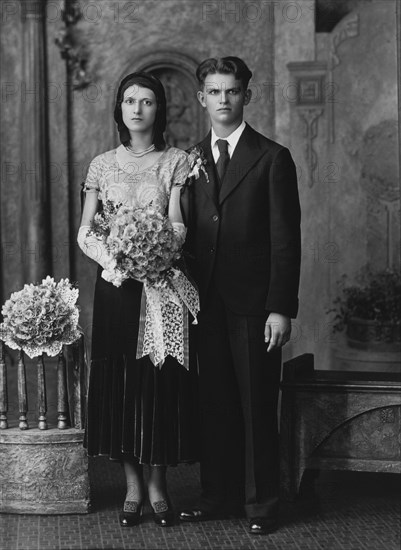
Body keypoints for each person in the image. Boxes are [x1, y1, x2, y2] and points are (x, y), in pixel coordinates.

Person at [179, 57, 301, 535]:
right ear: (202, 97)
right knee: (214, 405)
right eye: (215, 91)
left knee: (254, 405)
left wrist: (279, 308)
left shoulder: (272, 157)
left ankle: (261, 505)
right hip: (203, 301)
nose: (223, 99)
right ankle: (218, 495)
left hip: (254, 305)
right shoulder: (189, 160)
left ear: (246, 95)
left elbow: (285, 240)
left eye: (232, 91)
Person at [77, 72, 199, 528]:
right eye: (130, 100)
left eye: (147, 101)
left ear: (158, 109)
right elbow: (86, 230)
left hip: (162, 285)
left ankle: (157, 484)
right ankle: (131, 484)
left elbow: (179, 224)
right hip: (116, 290)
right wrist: (119, 258)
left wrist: (158, 252)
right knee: (122, 379)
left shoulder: (177, 162)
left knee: (159, 380)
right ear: (120, 108)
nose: (137, 108)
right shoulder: (102, 165)